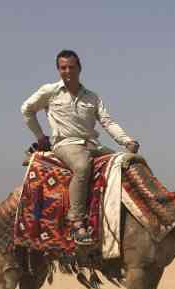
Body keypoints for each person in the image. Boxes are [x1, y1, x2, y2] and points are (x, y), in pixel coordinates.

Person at [21, 50, 139, 244]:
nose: (67, 71)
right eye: (63, 68)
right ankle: (76, 222)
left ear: (79, 68)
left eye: (71, 67)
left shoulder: (92, 97)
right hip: (65, 144)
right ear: (58, 70)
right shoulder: (49, 92)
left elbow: (107, 122)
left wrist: (126, 141)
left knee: (124, 163)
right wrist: (41, 136)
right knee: (82, 167)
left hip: (92, 144)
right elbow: (26, 109)